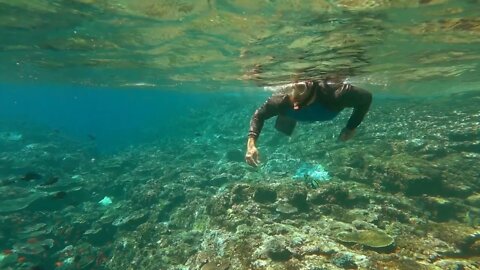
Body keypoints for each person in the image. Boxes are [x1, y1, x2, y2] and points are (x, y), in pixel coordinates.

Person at [245, 79, 372, 167]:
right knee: (283, 115)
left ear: (313, 95)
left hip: (325, 110)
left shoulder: (336, 93)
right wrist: (251, 144)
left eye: (299, 104)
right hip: (290, 114)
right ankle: (288, 117)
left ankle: (292, 114)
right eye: (292, 101)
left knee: (288, 110)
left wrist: (351, 127)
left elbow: (366, 98)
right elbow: (258, 115)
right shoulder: (282, 99)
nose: (295, 105)